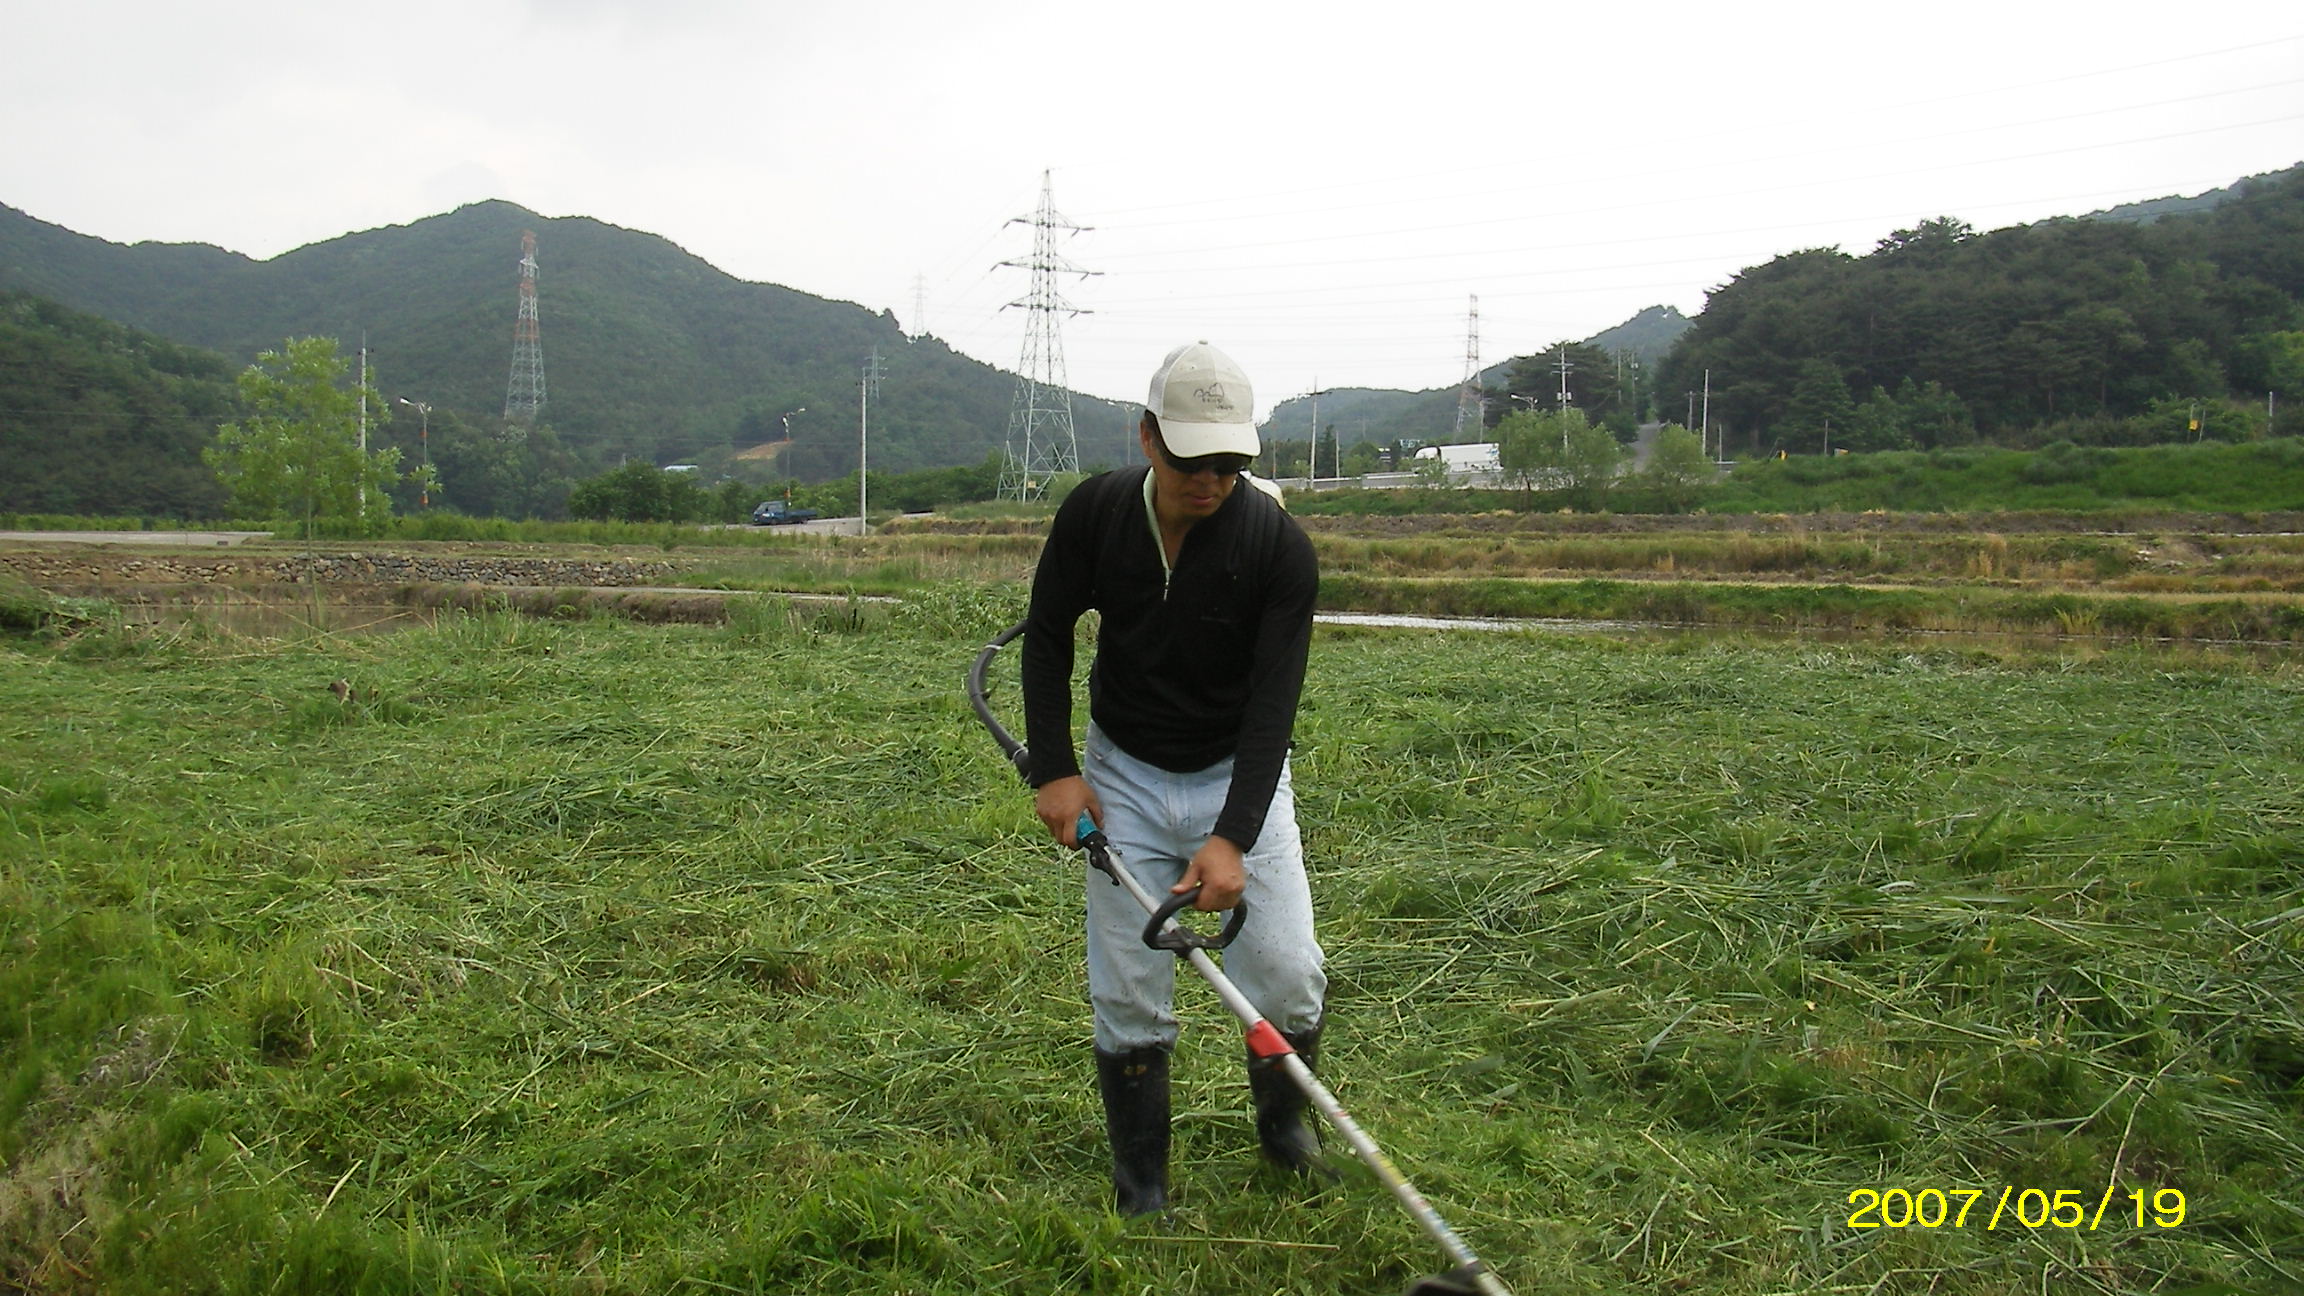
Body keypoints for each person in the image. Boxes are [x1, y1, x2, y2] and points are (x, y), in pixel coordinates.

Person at [1019, 340, 1326, 1217]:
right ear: (1148, 437)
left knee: (1287, 972)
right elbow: (1047, 637)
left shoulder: (1276, 548)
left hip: (1238, 775)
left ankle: (1286, 1135)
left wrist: (1233, 833)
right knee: (1128, 987)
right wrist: (1058, 771)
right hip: (1123, 773)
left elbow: (1274, 709)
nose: (1214, 481)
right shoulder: (1096, 516)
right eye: (1196, 461)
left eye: (1233, 463)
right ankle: (1142, 1185)